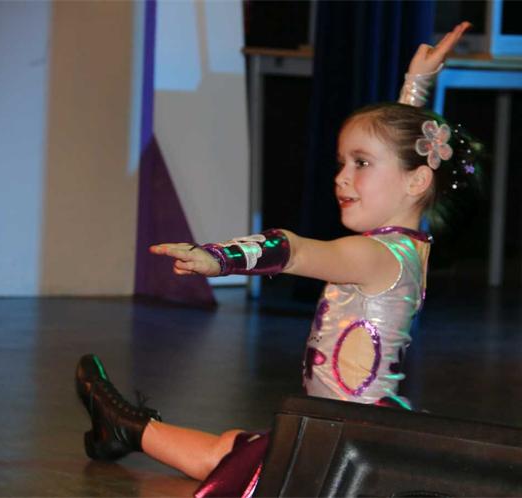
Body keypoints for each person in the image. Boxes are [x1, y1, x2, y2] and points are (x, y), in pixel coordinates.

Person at [75, 22, 477, 497]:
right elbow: (404, 159)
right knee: (237, 452)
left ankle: (127, 426)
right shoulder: (405, 243)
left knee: (252, 465)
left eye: (361, 163)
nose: (341, 177)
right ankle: (125, 426)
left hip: (347, 437)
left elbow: (296, 249)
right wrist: (416, 86)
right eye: (342, 163)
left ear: (416, 181)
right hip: (342, 423)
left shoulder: (373, 255)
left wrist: (219, 259)